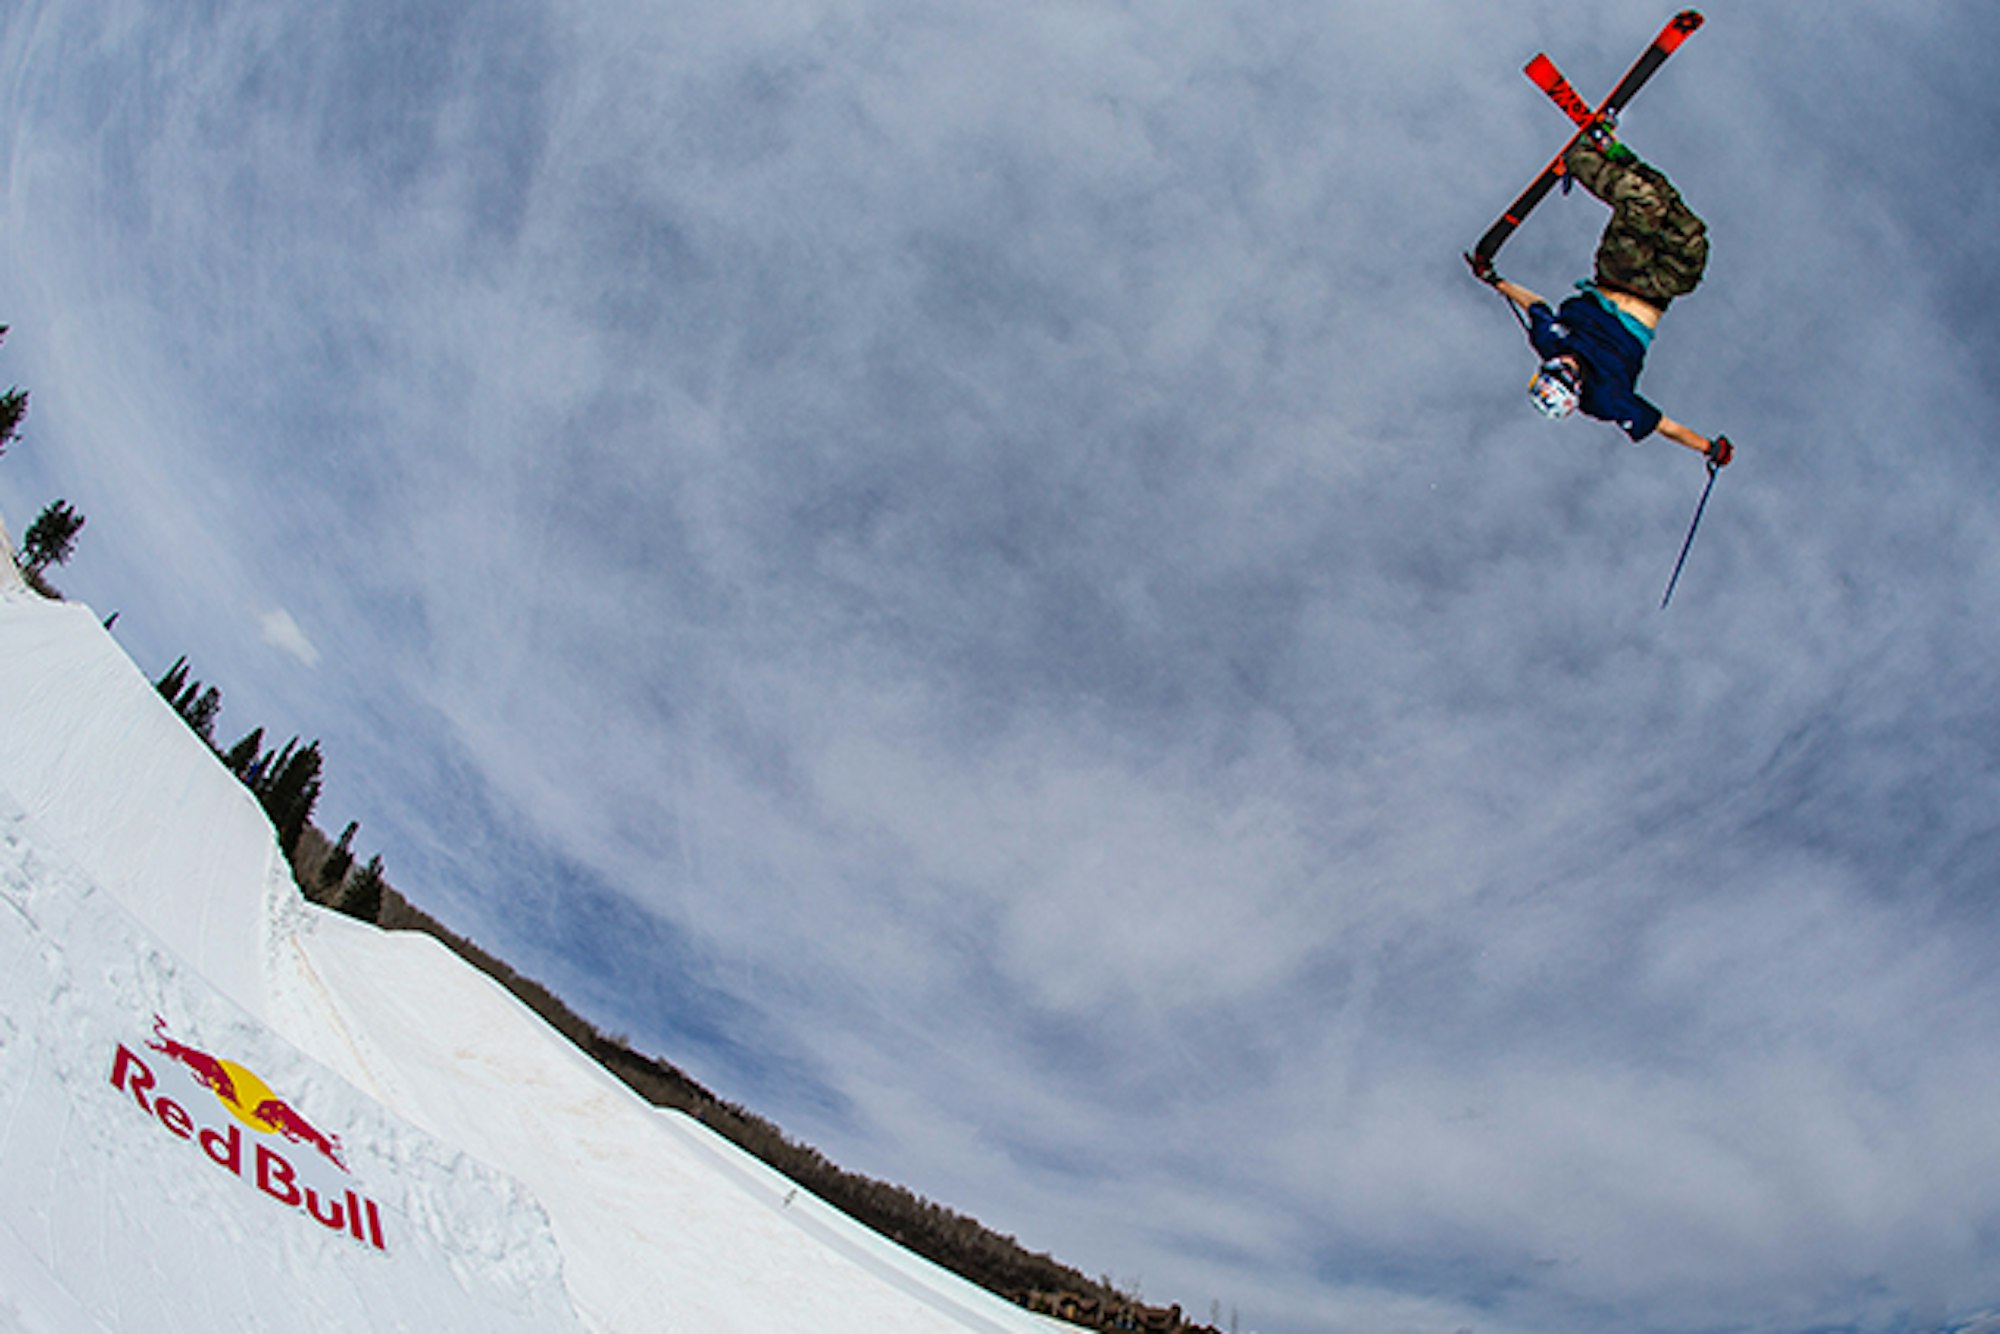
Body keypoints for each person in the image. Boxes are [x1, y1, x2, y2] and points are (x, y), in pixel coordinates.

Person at [1466, 122, 1732, 467]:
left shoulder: (1550, 342)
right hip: (1658, 292)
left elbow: (1535, 305)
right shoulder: (1607, 400)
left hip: (1617, 274)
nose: (1569, 365)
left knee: (1644, 206)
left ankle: (1581, 159)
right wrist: (1709, 448)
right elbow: (1664, 426)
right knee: (1687, 232)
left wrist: (1495, 280)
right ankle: (1617, 154)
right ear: (1577, 391)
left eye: (1557, 368)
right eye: (1570, 377)